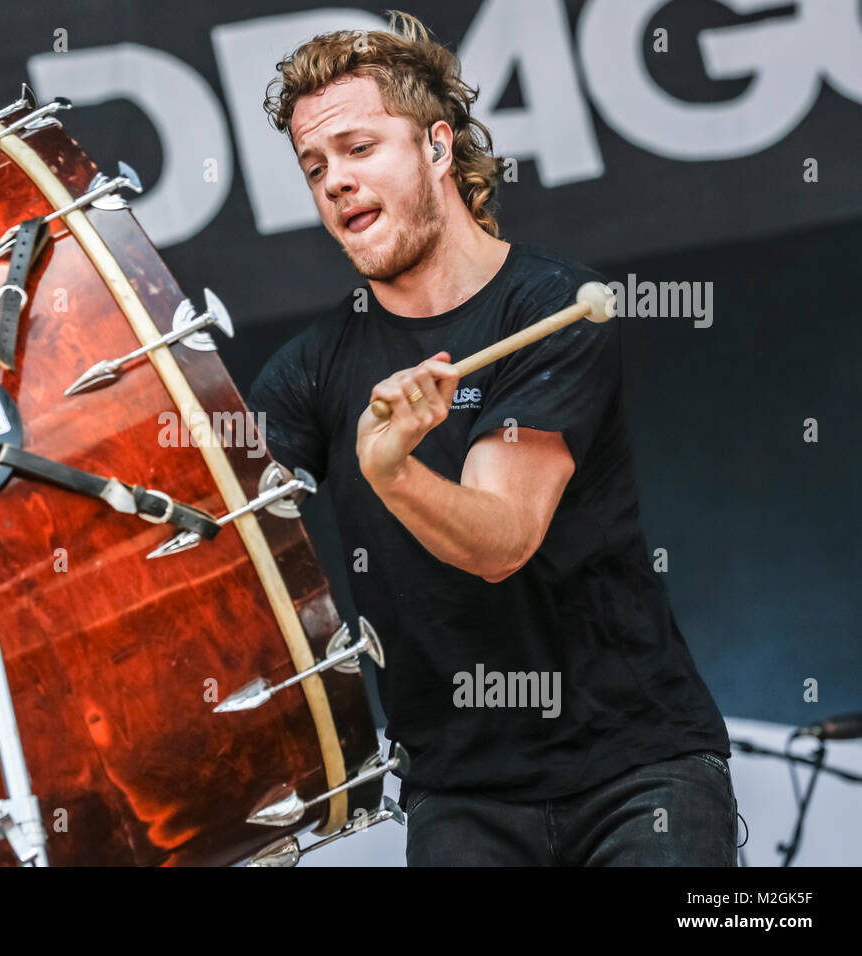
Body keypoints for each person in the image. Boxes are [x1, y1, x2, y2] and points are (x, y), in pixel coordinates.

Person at [249, 10, 737, 866]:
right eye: (315, 165)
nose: (334, 182)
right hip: (460, 799)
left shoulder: (553, 307)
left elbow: (501, 540)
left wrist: (389, 471)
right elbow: (213, 535)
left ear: (438, 148)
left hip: (637, 773)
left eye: (361, 149)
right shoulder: (307, 372)